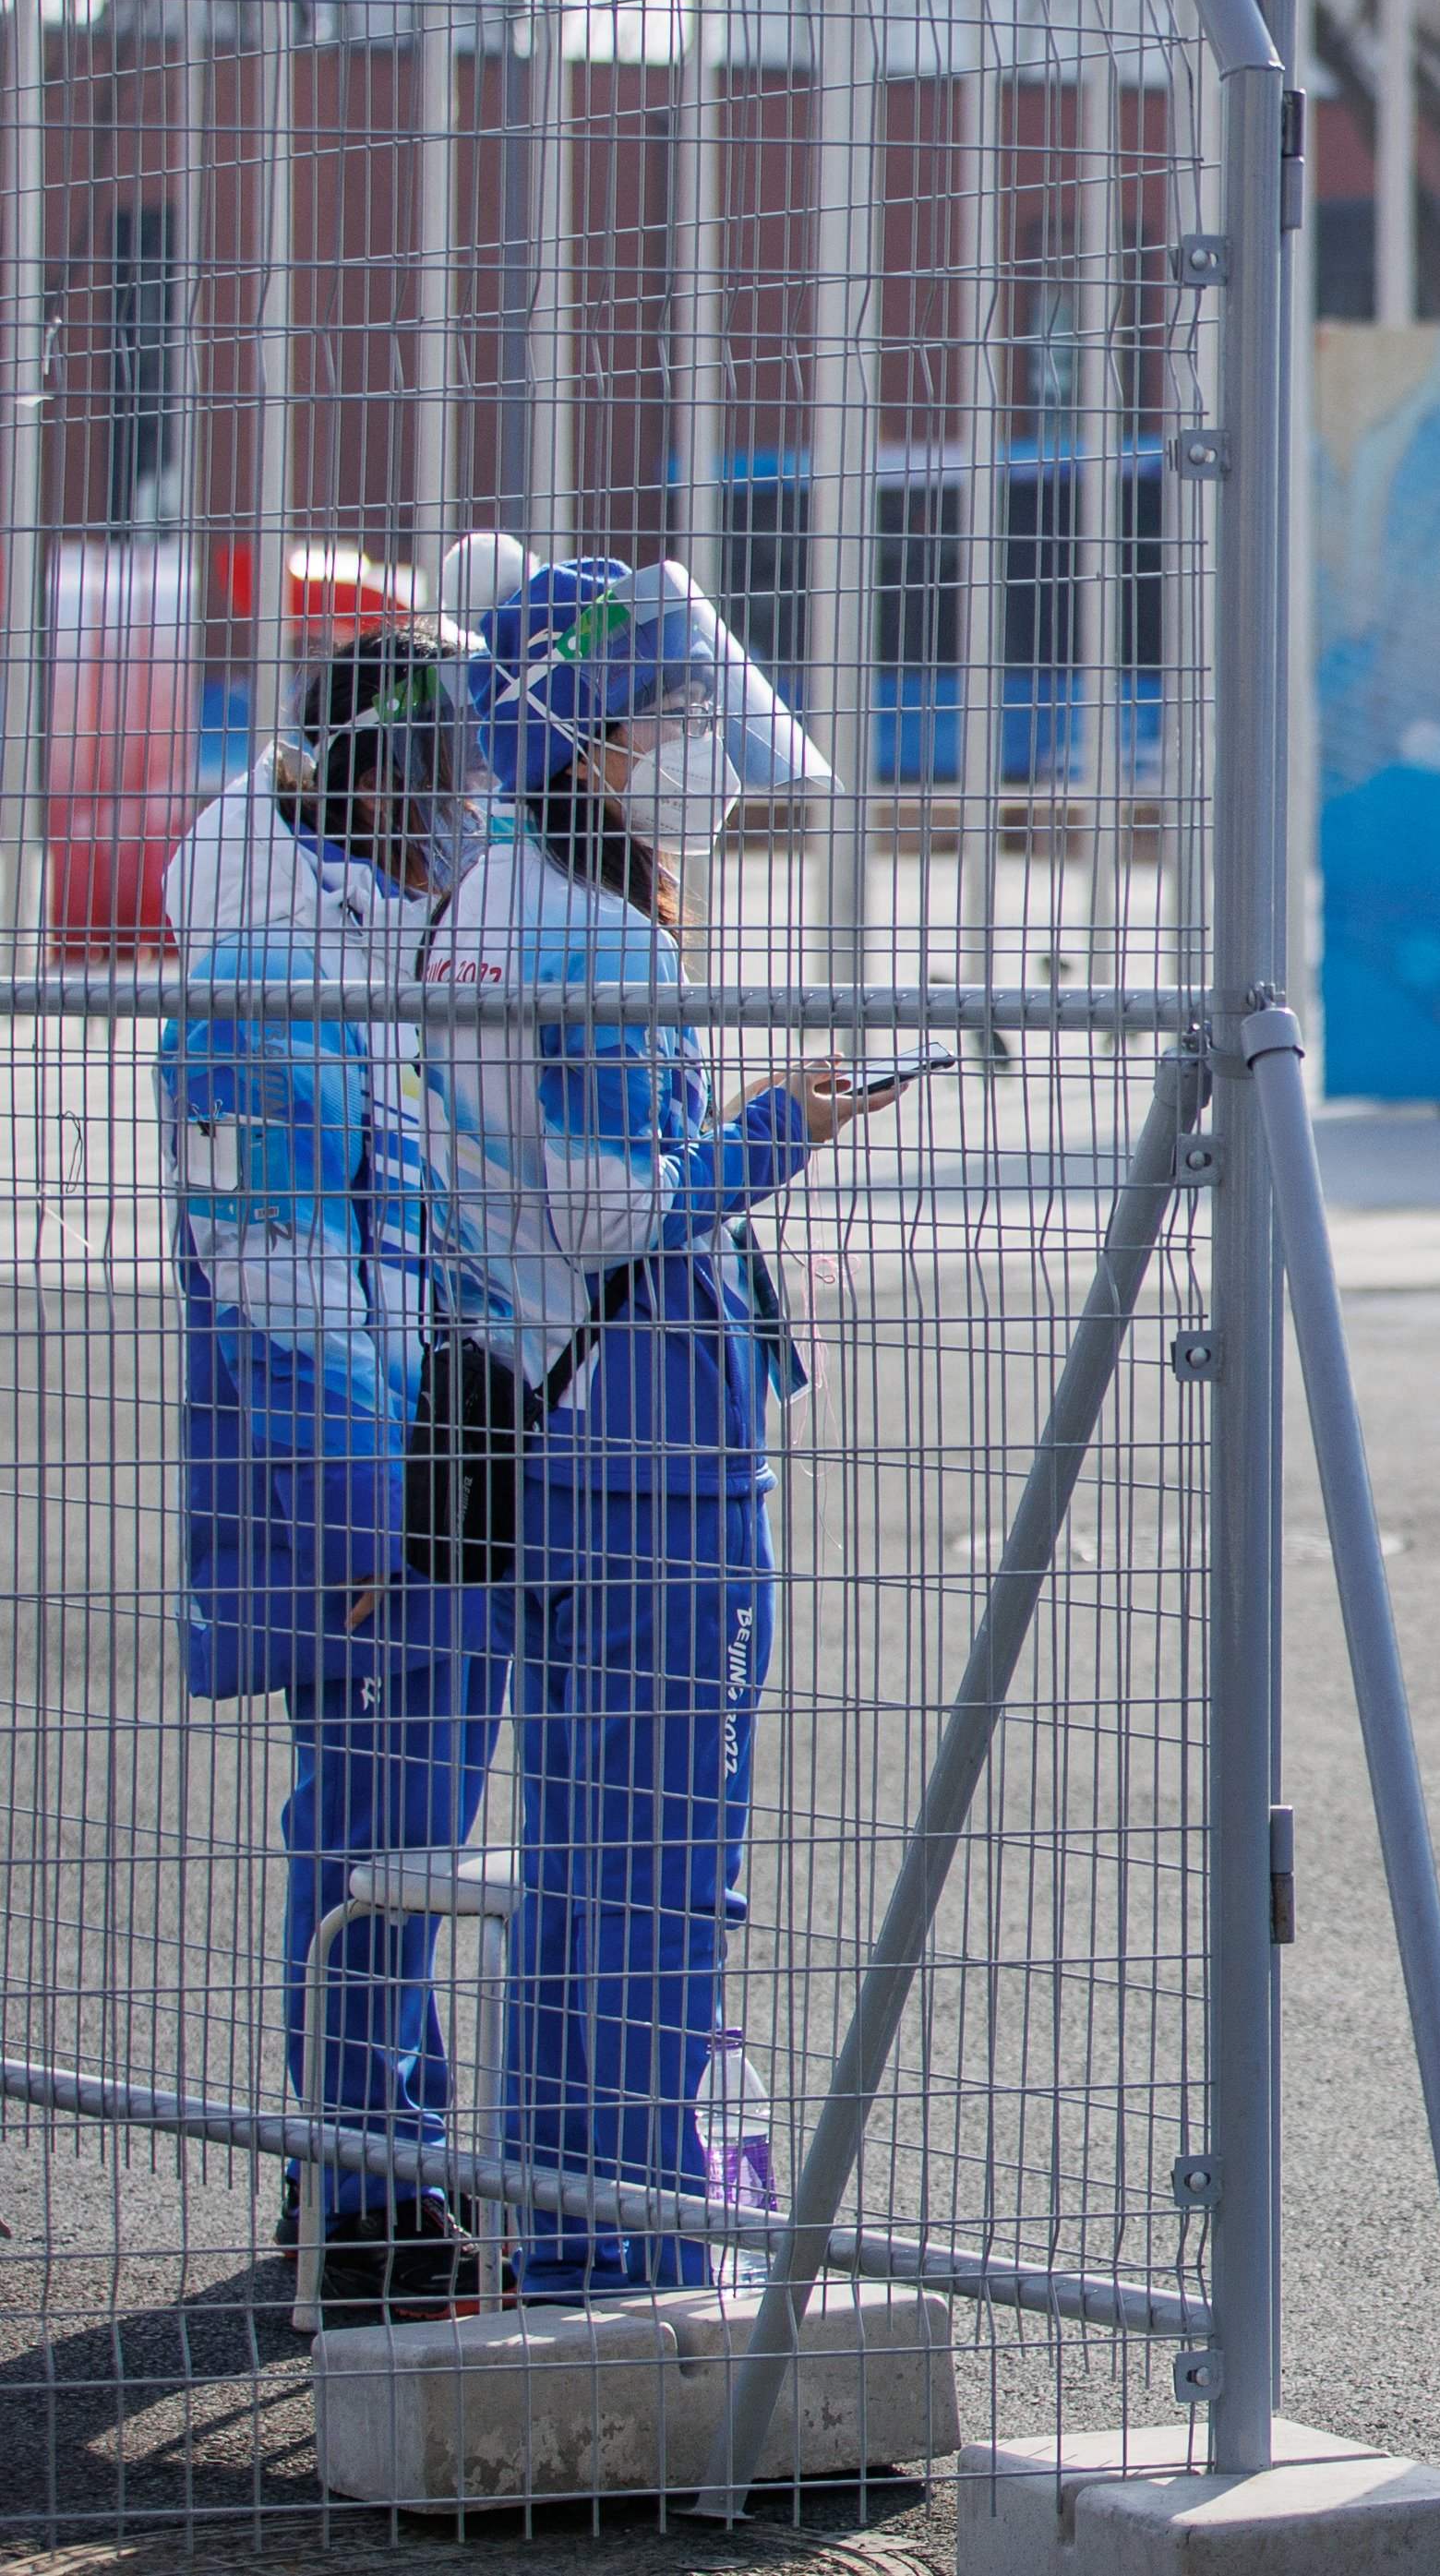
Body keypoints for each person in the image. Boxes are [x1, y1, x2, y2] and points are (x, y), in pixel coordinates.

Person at [419, 553, 901, 2303]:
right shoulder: (598, 928)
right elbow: (625, 1211)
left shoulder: (476, 897)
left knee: (577, 1853)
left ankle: (563, 2216)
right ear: (590, 741)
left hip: (531, 1414)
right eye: (664, 718)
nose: (689, 746)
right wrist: (780, 1127)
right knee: (657, 1857)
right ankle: (617, 2242)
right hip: (648, 1438)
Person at [158, 608, 502, 2325]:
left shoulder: (349, 927)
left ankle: (365, 2162)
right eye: (450, 773)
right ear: (376, 770)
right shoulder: (271, 973)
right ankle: (369, 2188)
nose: (471, 811)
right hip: (368, 1471)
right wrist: (375, 1507)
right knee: (380, 1826)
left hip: (399, 1446)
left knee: (386, 1829)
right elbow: (275, 1271)